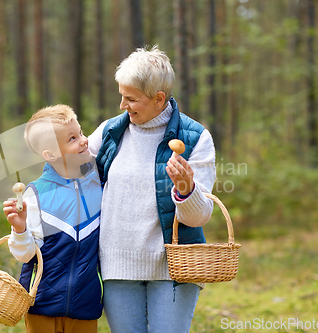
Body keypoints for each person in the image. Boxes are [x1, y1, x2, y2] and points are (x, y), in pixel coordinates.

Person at [87, 46, 216, 333]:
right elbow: (72, 179)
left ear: (159, 99)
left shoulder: (196, 139)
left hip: (174, 268)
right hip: (117, 266)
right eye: (121, 95)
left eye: (131, 99)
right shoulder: (109, 132)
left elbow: (199, 217)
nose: (122, 105)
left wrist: (186, 189)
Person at [3, 105, 103, 333]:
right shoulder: (35, 194)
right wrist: (19, 229)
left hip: (86, 306)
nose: (84, 141)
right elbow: (26, 254)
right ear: (50, 155)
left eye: (81, 133)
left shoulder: (98, 180)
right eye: (72, 138)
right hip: (42, 306)